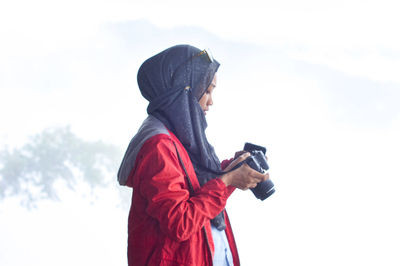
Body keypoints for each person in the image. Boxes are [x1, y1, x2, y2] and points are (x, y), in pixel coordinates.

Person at [118, 44, 269, 266]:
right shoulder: (158, 146)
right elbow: (180, 222)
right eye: (207, 90)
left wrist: (233, 169)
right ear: (182, 90)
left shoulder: (180, 134)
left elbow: (195, 187)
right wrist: (228, 180)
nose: (210, 101)